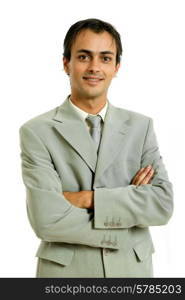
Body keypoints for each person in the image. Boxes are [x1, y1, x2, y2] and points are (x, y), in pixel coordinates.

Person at [19, 18, 173, 278]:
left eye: (105, 58)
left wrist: (87, 199)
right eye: (83, 56)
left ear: (117, 66)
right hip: (66, 275)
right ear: (66, 63)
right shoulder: (36, 131)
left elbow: (161, 204)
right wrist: (127, 209)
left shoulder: (141, 127)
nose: (94, 67)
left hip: (131, 273)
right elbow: (46, 219)